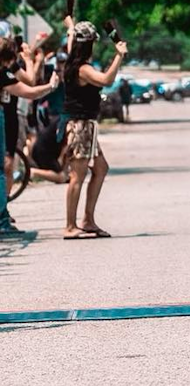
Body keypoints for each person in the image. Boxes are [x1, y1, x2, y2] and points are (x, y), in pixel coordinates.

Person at [62, 21, 125, 239]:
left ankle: (87, 220)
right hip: (80, 127)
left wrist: (71, 25)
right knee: (76, 176)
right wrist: (119, 56)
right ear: (89, 46)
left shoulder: (72, 60)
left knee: (101, 168)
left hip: (86, 126)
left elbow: (72, 37)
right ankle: (70, 226)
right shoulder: (83, 69)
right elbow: (106, 80)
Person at [0, 37, 61, 238]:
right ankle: (2, 216)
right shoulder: (5, 72)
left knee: (7, 167)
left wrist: (29, 56)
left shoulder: (8, 69)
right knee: (4, 167)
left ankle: (4, 211)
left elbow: (29, 81)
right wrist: (51, 85)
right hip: (7, 120)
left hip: (10, 119)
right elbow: (30, 89)